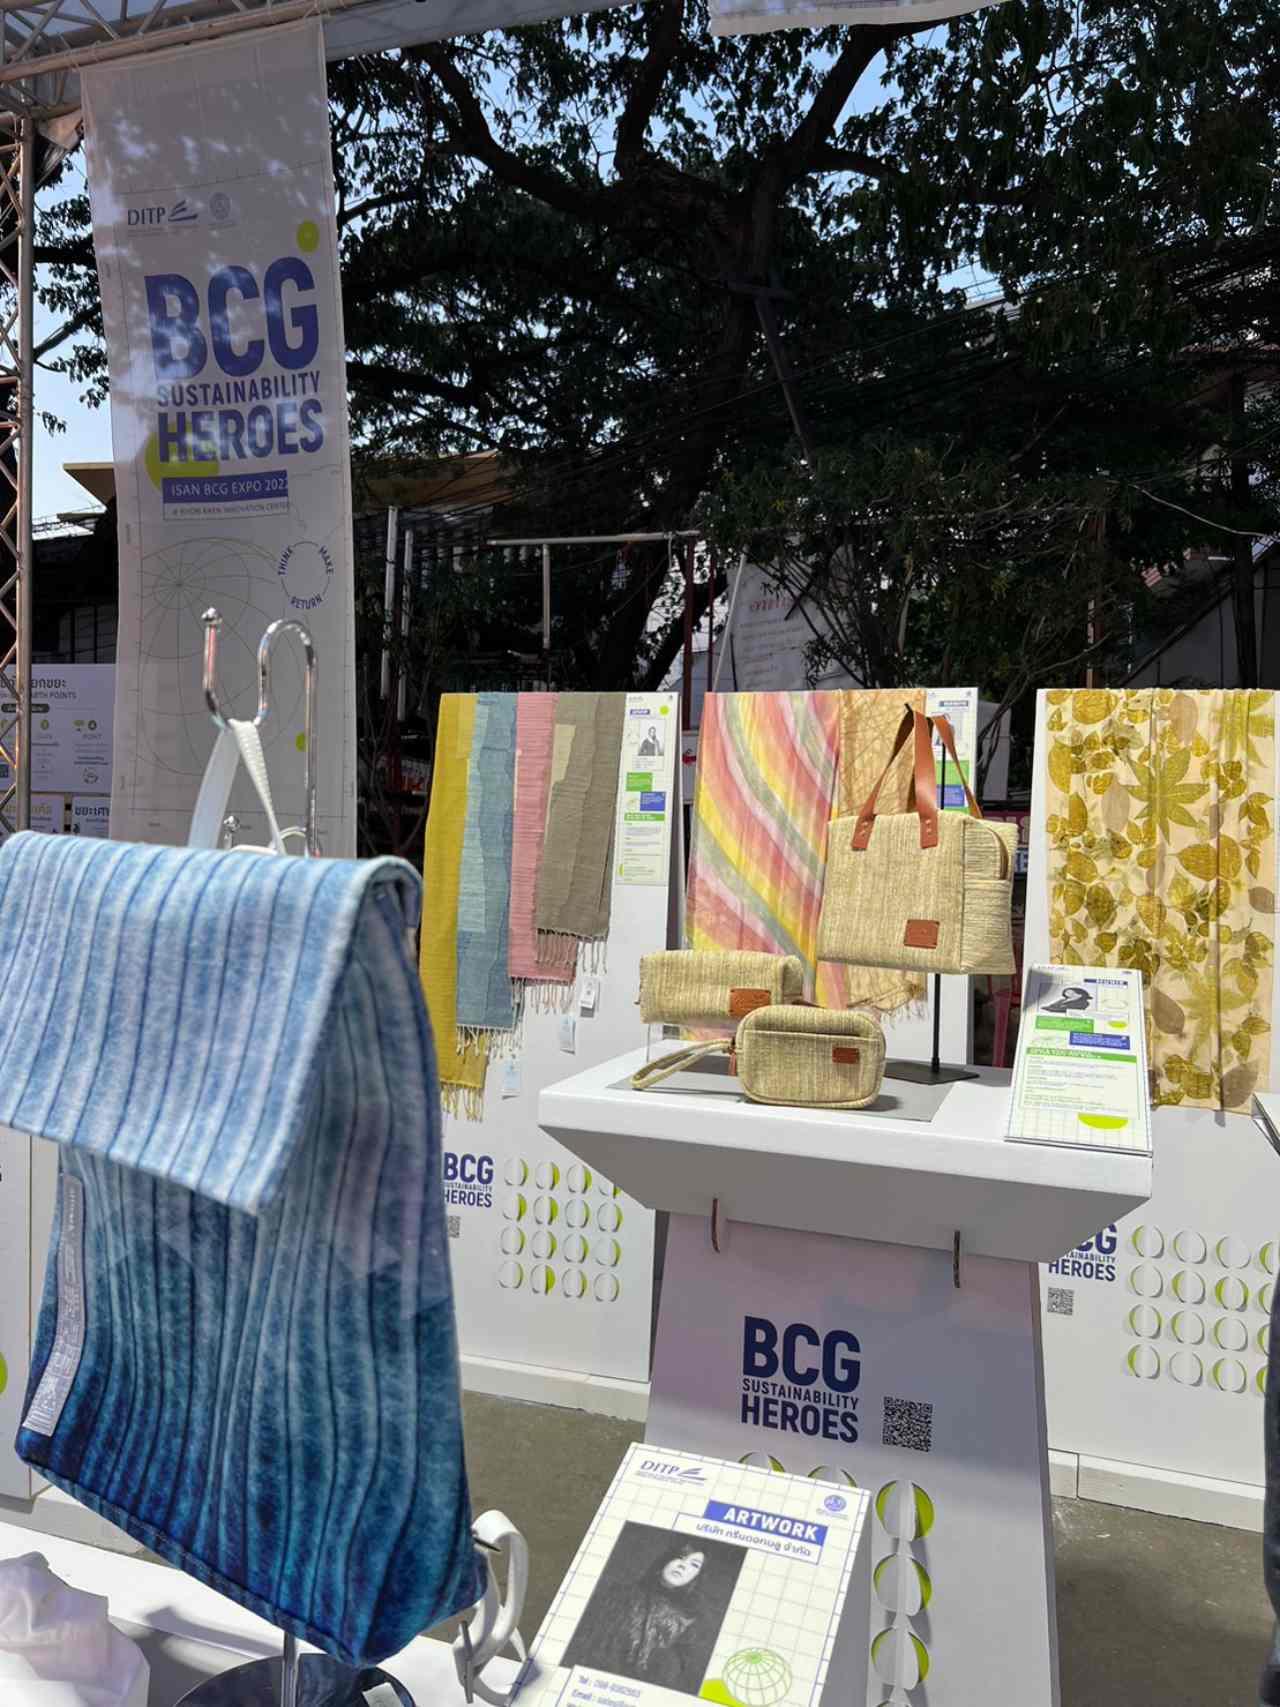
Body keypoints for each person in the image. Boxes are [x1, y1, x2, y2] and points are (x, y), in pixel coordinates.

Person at [566, 1539, 711, 1691]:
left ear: (698, 1575)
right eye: (680, 1557)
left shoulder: (688, 1621)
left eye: (694, 1564)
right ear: (667, 1559)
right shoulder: (618, 1595)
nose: (683, 1565)